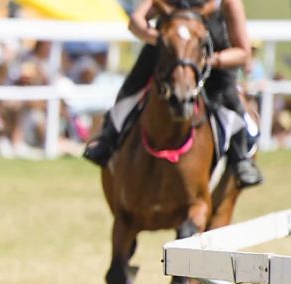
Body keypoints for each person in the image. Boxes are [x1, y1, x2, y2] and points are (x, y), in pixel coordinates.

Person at [82, 0, 263, 188]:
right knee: (132, 86)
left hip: (213, 60)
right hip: (167, 54)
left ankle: (241, 158)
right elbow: (135, 22)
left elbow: (243, 53)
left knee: (229, 99)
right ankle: (107, 138)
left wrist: (211, 60)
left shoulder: (227, 3)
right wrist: (162, 41)